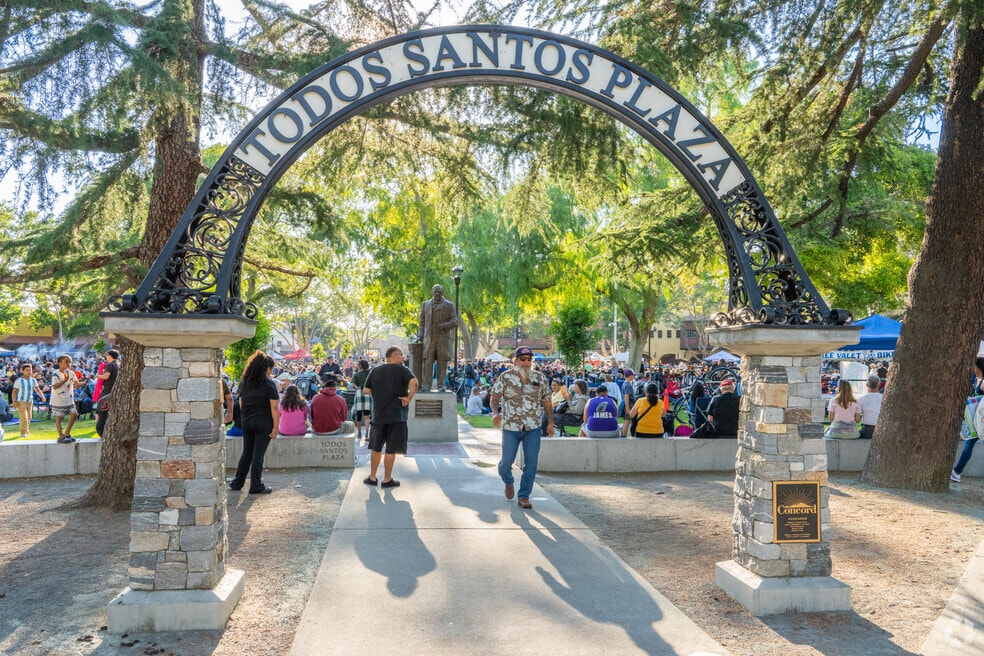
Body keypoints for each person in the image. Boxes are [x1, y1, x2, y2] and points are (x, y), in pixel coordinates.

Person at [490, 346, 552, 509]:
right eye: (522, 359)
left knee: (531, 464)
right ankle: (509, 481)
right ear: (515, 360)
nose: (526, 363)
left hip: (533, 427)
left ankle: (524, 496)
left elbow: (547, 401)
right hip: (511, 426)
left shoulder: (540, 378)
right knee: (505, 463)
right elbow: (495, 397)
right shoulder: (506, 377)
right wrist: (495, 413)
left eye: (529, 359)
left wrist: (551, 422)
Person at [364, 346, 418, 487]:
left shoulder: (375, 370)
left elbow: (366, 390)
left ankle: (372, 477)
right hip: (397, 416)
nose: (402, 357)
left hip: (379, 415)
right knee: (391, 449)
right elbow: (414, 382)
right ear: (394, 356)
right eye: (401, 355)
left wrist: (380, 394)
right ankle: (387, 479)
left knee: (376, 448)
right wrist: (408, 397)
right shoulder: (403, 370)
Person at [229, 350, 279, 494]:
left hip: (247, 422)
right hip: (264, 423)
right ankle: (256, 486)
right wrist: (276, 427)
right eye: (271, 369)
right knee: (258, 455)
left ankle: (237, 483)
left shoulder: (244, 383)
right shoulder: (269, 385)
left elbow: (242, 403)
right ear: (266, 368)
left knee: (247, 453)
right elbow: (274, 407)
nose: (271, 372)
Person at [418, 284, 457, 391]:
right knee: (427, 362)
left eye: (439, 292)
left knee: (442, 363)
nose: (437, 294)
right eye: (435, 291)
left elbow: (455, 321)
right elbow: (421, 322)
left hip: (443, 339)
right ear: (432, 292)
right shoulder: (425, 304)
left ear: (442, 292)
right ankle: (426, 385)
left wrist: (444, 326)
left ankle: (441, 385)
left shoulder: (449, 305)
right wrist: (420, 336)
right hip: (429, 339)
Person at [952, 357, 984, 482]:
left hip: (980, 420)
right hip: (976, 419)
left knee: (968, 444)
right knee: (968, 444)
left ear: (979, 367)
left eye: (974, 366)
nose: (972, 368)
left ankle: (957, 472)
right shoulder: (978, 380)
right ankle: (956, 472)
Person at [50, 355, 80, 443]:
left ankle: (67, 433)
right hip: (59, 399)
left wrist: (86, 381)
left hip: (69, 398)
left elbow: (76, 383)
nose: (69, 364)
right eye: (66, 362)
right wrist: (65, 380)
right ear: (60, 363)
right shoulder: (56, 374)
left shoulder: (71, 373)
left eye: (70, 362)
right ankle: (60, 436)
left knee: (74, 414)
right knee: (59, 417)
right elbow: (55, 386)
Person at [12, 363, 44, 439]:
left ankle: (27, 431)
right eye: (27, 370)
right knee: (24, 417)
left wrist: (42, 396)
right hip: (21, 401)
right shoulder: (19, 380)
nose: (29, 372)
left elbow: (37, 389)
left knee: (29, 417)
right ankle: (23, 433)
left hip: (30, 401)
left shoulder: (33, 380)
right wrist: (14, 401)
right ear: (22, 371)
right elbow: (14, 391)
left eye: (30, 370)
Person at [94, 349, 120, 437]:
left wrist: (97, 375)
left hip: (108, 390)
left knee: (99, 409)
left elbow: (106, 376)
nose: (106, 357)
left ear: (110, 356)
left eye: (107, 355)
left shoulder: (109, 365)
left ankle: (99, 428)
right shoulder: (117, 364)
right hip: (114, 390)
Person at [351, 360, 372, 441]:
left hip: (359, 393)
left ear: (360, 366)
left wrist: (357, 388)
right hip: (367, 394)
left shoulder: (356, 374)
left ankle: (359, 433)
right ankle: (367, 433)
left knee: (359, 415)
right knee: (367, 416)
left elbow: (353, 386)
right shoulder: (369, 374)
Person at [856, 374, 883, 440]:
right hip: (882, 430)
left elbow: (857, 419)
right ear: (879, 385)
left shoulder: (861, 399)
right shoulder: (884, 398)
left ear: (867, 385)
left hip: (867, 430)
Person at [619, 369, 637, 436]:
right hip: (628, 404)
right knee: (627, 421)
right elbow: (627, 397)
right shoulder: (628, 385)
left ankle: (623, 434)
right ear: (630, 376)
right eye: (633, 375)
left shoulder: (624, 383)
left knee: (625, 421)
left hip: (624, 403)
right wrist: (627, 408)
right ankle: (624, 435)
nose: (633, 377)